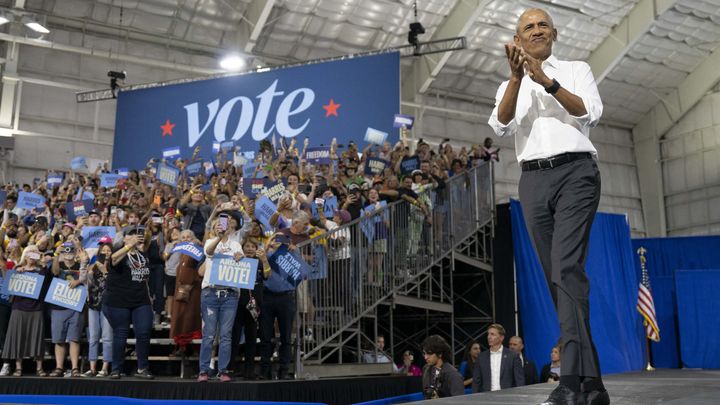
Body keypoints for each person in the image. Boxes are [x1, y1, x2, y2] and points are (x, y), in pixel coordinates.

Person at [488, 7, 608, 405]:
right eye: (528, 27)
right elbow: (501, 125)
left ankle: (570, 379)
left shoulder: (577, 68)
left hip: (576, 174)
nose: (537, 30)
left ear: (553, 33)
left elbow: (588, 112)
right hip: (533, 180)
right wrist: (519, 78)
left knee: (566, 267)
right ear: (517, 40)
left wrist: (549, 82)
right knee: (560, 278)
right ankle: (594, 384)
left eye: (542, 25)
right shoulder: (512, 82)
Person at [103, 226, 154, 379]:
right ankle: (116, 369)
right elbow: (113, 259)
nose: (135, 236)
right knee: (121, 334)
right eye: (130, 234)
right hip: (118, 301)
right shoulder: (119, 253)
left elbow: (144, 277)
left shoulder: (143, 255)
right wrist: (129, 246)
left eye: (136, 234)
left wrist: (149, 294)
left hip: (141, 300)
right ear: (124, 238)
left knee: (144, 333)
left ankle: (142, 368)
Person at [198, 215, 244, 382]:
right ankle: (203, 370)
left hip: (230, 295)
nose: (222, 227)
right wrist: (218, 237)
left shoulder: (236, 244)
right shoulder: (210, 241)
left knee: (226, 335)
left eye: (224, 225)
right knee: (209, 334)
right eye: (218, 225)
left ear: (230, 227)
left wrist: (240, 258)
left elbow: (240, 266)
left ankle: (223, 370)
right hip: (210, 293)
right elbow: (209, 252)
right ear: (214, 228)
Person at [1, 245, 51, 377]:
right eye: (30, 252)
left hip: (36, 308)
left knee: (37, 337)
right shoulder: (17, 269)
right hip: (19, 308)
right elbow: (9, 286)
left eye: (35, 252)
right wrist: (17, 272)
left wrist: (43, 262)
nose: (32, 254)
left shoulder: (42, 270)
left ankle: (39, 368)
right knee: (18, 337)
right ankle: (18, 367)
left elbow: (46, 283)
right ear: (25, 254)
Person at [84, 237, 114, 377]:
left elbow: (115, 285)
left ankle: (105, 367)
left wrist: (105, 270)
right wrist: (89, 264)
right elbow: (87, 279)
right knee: (93, 337)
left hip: (108, 304)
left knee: (107, 337)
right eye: (103, 250)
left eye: (109, 250)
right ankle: (92, 367)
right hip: (93, 303)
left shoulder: (115, 265)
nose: (106, 252)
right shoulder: (94, 264)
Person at [472, 323, 524, 392]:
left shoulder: (513, 356)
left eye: (492, 334)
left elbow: (519, 381)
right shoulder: (481, 357)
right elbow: (476, 382)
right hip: (486, 398)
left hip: (507, 398)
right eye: (488, 334)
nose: (489, 337)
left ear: (501, 338)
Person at [421, 335, 464, 399]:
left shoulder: (453, 375)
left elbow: (459, 402)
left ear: (440, 354)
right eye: (424, 353)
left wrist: (439, 401)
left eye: (429, 353)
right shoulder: (426, 369)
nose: (425, 357)